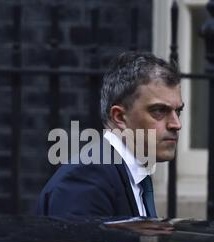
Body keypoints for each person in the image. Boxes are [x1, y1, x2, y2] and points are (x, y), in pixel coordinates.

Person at [36, 51, 184, 219]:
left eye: (178, 111)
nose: (176, 124)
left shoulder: (127, 173)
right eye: (159, 111)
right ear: (120, 117)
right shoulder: (86, 182)